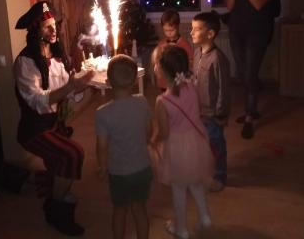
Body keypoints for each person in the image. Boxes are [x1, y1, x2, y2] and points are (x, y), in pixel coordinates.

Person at [13, 1, 94, 236]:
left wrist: (87, 82)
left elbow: (71, 94)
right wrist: (71, 87)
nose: (53, 30)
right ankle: (55, 211)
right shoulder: (25, 62)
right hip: (34, 130)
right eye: (47, 26)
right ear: (35, 30)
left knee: (57, 168)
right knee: (73, 153)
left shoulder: (58, 57)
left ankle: (15, 177)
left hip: (55, 126)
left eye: (54, 25)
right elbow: (37, 101)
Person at [151, 45, 214, 239]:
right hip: (196, 142)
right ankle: (205, 217)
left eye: (156, 64)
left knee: (178, 189)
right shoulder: (192, 87)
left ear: (163, 71)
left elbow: (164, 132)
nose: (154, 67)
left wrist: (153, 140)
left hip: (177, 149)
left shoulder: (162, 101)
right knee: (195, 181)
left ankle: (181, 229)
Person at [225, 0, 279, 139]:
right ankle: (254, 98)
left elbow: (258, 3)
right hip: (236, 30)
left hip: (257, 32)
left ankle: (249, 115)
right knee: (243, 73)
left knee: (249, 73)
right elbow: (229, 6)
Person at [95, 55, 153, 239]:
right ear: (135, 81)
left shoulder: (102, 113)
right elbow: (149, 131)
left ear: (107, 82)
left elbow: (102, 146)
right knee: (140, 208)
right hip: (142, 168)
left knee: (119, 210)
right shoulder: (142, 102)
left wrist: (102, 167)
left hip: (118, 172)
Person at [191, 12, 231, 192]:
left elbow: (223, 88)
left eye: (197, 29)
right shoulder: (197, 53)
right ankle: (206, 169)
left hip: (213, 114)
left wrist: (220, 113)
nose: (191, 32)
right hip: (198, 111)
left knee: (216, 144)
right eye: (192, 28)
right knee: (202, 144)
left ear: (210, 34)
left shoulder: (217, 59)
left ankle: (220, 175)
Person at [152, 9, 193, 91]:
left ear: (178, 26)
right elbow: (156, 60)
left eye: (171, 30)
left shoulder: (185, 45)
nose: (169, 33)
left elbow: (190, 63)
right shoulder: (161, 44)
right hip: (164, 82)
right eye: (166, 30)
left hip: (178, 82)